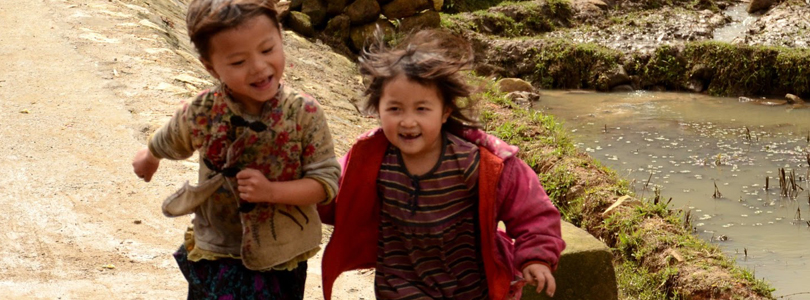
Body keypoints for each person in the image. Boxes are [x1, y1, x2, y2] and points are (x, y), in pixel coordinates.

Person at [318, 29, 565, 300]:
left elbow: (531, 207)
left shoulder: (474, 162)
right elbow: (330, 191)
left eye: (422, 109)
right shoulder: (371, 160)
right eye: (395, 109)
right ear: (378, 109)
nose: (408, 121)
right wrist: (299, 186)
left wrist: (536, 257)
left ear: (445, 111)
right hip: (401, 284)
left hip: (470, 286)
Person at [131, 0, 340, 298]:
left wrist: (272, 192)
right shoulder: (205, 109)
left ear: (280, 37)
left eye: (267, 50)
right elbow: (174, 134)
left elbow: (325, 182)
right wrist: (150, 156)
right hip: (217, 249)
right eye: (238, 62)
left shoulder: (304, 114)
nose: (258, 67)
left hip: (281, 255)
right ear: (210, 66)